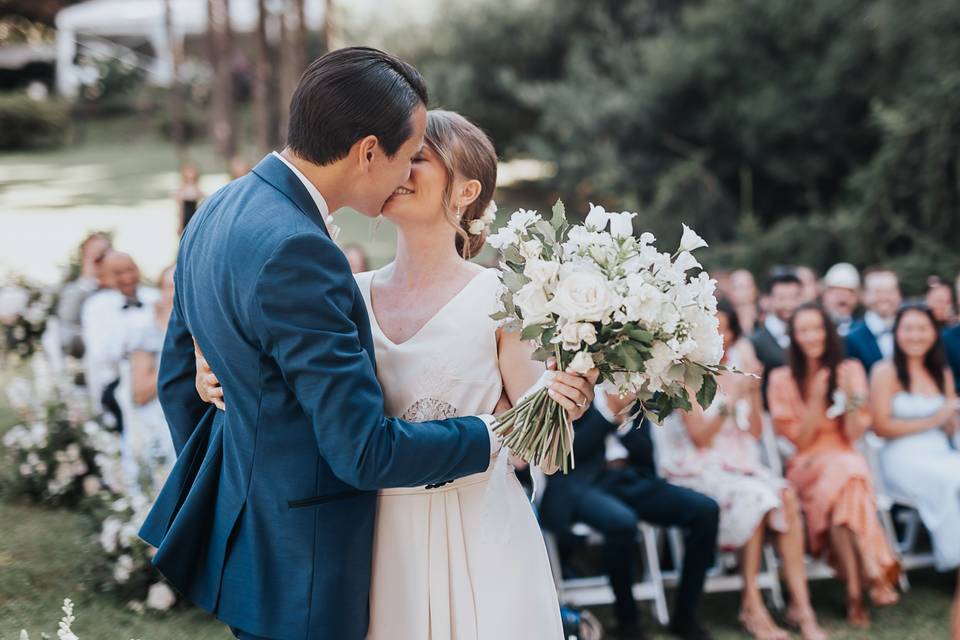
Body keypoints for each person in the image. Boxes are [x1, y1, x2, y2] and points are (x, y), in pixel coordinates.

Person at [140, 48, 594, 640]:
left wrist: (562, 406)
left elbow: (181, 380)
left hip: (449, 546)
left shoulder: (220, 207)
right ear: (368, 152)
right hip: (329, 547)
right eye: (408, 156)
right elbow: (354, 448)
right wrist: (494, 431)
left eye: (421, 163)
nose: (406, 175)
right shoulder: (315, 262)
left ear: (465, 192)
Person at [658, 300, 826, 640]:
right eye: (710, 328)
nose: (718, 336)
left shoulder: (738, 370)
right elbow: (701, 439)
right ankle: (752, 604)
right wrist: (732, 400)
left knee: (785, 496)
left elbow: (755, 434)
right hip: (698, 466)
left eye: (725, 329)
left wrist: (754, 393)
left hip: (742, 462)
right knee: (757, 497)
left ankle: (801, 607)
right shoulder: (681, 375)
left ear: (733, 334)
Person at [539, 391, 721, 640]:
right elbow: (565, 455)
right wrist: (608, 414)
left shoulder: (634, 387)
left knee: (705, 510)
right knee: (622, 522)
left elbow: (646, 453)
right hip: (580, 484)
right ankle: (628, 621)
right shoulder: (571, 386)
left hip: (630, 479)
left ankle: (685, 616)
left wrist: (625, 420)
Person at [768, 303, 899, 628]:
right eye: (804, 330)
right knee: (849, 472)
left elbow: (854, 434)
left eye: (817, 328)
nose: (812, 336)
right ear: (794, 337)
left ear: (828, 332)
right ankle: (873, 567)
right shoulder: (781, 378)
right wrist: (815, 397)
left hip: (843, 456)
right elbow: (799, 441)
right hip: (808, 463)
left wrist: (851, 400)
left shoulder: (850, 368)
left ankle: (855, 591)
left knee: (846, 492)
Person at [870, 304, 960, 591]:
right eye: (908, 328)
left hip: (940, 450)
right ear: (897, 332)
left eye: (923, 328)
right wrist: (933, 419)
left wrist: (951, 417)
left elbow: (948, 425)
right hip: (901, 455)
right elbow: (880, 427)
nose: (915, 335)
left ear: (934, 333)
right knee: (950, 480)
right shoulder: (884, 371)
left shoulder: (941, 372)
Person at [81, 250, 159, 429]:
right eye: (118, 273)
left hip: (157, 376)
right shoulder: (96, 307)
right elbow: (100, 352)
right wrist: (138, 338)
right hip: (118, 382)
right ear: (105, 277)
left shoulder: (154, 296)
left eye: (131, 270)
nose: (127, 277)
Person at [123, 265, 177, 495]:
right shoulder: (147, 332)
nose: (175, 294)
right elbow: (141, 394)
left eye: (180, 286)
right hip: (159, 420)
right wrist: (175, 350)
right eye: (169, 288)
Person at [56, 232, 111, 358]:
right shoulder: (74, 291)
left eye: (105, 254)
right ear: (84, 257)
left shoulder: (120, 287)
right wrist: (89, 279)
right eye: (97, 257)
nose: (101, 260)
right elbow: (68, 321)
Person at [751, 272, 803, 402]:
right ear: (768, 300)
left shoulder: (808, 334)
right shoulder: (755, 341)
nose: (789, 304)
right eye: (782, 298)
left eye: (794, 298)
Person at [846, 267, 902, 372]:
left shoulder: (912, 331)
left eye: (890, 291)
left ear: (899, 294)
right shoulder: (850, 337)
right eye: (877, 291)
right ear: (863, 295)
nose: (884, 297)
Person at [821, 262, 861, 337]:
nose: (842, 298)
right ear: (824, 295)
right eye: (837, 293)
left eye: (848, 293)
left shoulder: (862, 329)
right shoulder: (816, 327)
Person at [730, 268, 760, 334]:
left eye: (745, 287)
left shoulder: (763, 317)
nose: (741, 292)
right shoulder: (727, 320)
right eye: (736, 287)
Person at [176, 163, 204, 233]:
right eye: (188, 172)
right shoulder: (183, 188)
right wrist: (180, 224)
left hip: (194, 215)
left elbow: (203, 199)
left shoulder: (196, 188)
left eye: (192, 172)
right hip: (186, 216)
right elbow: (180, 208)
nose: (190, 174)